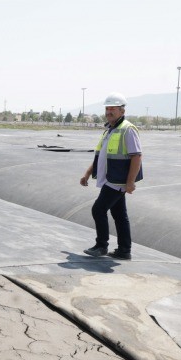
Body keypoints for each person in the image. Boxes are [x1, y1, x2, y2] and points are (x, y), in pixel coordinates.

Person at [80, 92, 143, 260]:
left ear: (122, 111)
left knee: (98, 209)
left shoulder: (127, 130)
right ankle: (124, 250)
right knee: (119, 214)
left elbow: (136, 156)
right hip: (110, 177)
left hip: (118, 180)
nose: (109, 112)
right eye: (107, 109)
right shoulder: (110, 130)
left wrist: (130, 182)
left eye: (113, 109)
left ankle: (101, 245)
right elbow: (102, 155)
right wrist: (87, 174)